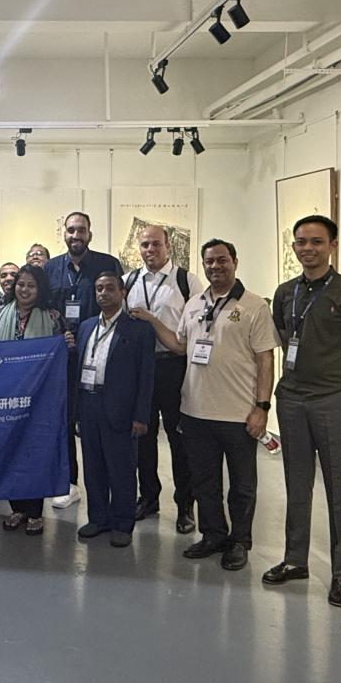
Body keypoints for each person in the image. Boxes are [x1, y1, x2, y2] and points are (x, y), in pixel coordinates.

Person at [263, 216, 341, 607]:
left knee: (338, 488)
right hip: (292, 398)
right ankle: (296, 559)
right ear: (293, 246)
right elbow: (282, 339)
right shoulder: (285, 293)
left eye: (316, 241)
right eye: (301, 242)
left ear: (331, 244)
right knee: (296, 483)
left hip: (334, 402)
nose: (307, 248)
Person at [144, 239, 276, 572]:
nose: (215, 267)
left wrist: (262, 406)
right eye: (209, 262)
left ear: (235, 261)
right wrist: (152, 321)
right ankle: (213, 534)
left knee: (242, 484)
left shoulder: (254, 306)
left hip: (238, 413)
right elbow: (179, 346)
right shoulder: (193, 304)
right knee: (204, 481)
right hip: (195, 411)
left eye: (221, 261)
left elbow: (265, 358)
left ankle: (240, 542)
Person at [124, 225, 202, 532]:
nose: (150, 250)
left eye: (156, 244)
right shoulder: (130, 280)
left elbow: (198, 326)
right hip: (141, 369)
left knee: (179, 438)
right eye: (144, 245)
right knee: (142, 436)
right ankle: (149, 497)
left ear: (168, 246)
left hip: (174, 366)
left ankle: (185, 505)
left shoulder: (185, 281)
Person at [45, 213, 124, 510]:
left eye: (81, 230)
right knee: (65, 421)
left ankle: (110, 489)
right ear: (63, 234)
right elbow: (47, 310)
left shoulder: (108, 264)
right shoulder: (51, 268)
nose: (76, 235)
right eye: (71, 230)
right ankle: (70, 483)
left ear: (90, 234)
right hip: (62, 357)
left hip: (99, 354)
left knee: (100, 420)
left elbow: (118, 306)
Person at [0, 264, 70, 535]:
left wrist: (66, 343)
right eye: (20, 284)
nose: (24, 289)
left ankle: (35, 511)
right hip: (5, 396)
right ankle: (17, 508)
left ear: (40, 289)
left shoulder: (53, 317)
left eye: (31, 285)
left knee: (34, 453)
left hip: (38, 399)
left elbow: (60, 357)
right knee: (10, 451)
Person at [73, 272, 155, 547]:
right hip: (88, 402)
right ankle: (98, 518)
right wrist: (76, 412)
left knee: (121, 468)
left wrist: (141, 416)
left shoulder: (138, 328)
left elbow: (146, 376)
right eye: (98, 289)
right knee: (93, 466)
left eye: (109, 288)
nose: (103, 293)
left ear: (122, 292)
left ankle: (122, 522)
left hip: (120, 407)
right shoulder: (85, 327)